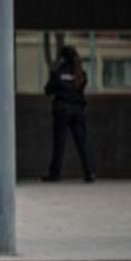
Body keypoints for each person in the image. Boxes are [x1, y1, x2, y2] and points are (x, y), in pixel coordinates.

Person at [43, 45, 95, 182]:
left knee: (59, 143)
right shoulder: (80, 73)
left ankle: (55, 174)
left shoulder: (58, 72)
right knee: (82, 143)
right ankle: (89, 173)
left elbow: (48, 90)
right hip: (78, 110)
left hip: (62, 110)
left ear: (62, 58)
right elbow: (82, 88)